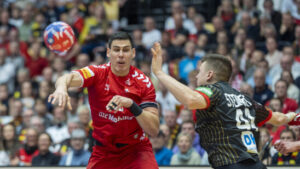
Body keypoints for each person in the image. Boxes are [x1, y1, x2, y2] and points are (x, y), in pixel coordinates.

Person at [151, 42, 299, 169]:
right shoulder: (245, 99)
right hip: (256, 164)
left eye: (199, 72)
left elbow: (190, 100)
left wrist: (159, 73)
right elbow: (279, 118)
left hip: (230, 164)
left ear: (209, 75)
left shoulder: (211, 90)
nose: (196, 76)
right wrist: (294, 117)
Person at [48, 32, 159, 169]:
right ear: (108, 52)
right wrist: (61, 88)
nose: (121, 54)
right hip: (103, 152)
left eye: (125, 50)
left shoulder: (143, 82)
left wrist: (131, 105)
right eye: (116, 49)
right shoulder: (97, 73)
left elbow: (153, 129)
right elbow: (67, 77)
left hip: (136, 150)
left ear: (133, 53)